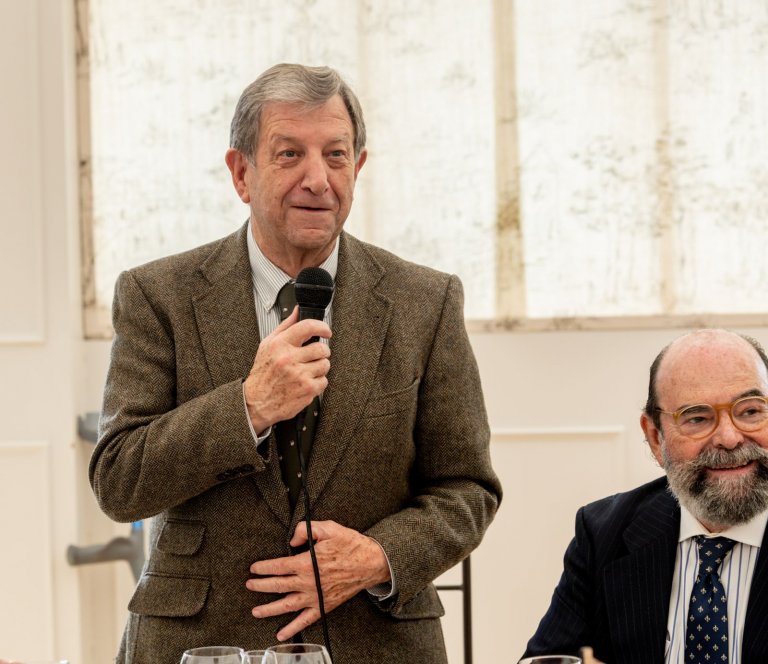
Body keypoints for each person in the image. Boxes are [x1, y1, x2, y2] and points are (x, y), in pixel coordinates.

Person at [89, 63, 501, 664]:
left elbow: (468, 487)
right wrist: (248, 407)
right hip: (202, 644)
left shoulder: (426, 301)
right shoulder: (158, 295)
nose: (317, 179)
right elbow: (119, 482)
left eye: (336, 155)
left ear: (358, 167)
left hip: (375, 639)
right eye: (289, 155)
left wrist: (377, 557)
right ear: (241, 173)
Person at [521, 328, 768, 664]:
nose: (729, 437)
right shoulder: (603, 533)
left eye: (751, 411)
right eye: (697, 418)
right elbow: (550, 658)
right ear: (655, 437)